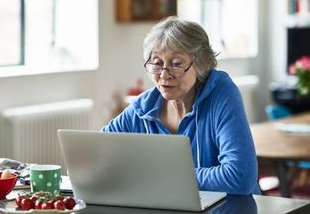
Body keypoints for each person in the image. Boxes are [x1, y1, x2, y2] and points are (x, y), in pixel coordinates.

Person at [102, 16, 260, 195]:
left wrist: (161, 177)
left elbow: (239, 177)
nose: (164, 74)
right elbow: (98, 155)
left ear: (201, 64)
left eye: (176, 64)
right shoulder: (143, 107)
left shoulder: (221, 93)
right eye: (157, 63)